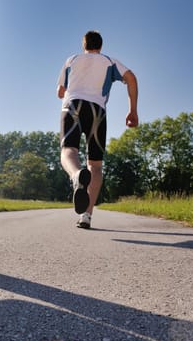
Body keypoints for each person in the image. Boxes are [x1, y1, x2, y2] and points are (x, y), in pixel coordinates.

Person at [57, 30, 139, 229]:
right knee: (95, 165)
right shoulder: (109, 61)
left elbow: (60, 92)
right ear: (100, 46)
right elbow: (131, 78)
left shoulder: (72, 59)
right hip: (97, 110)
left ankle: (76, 175)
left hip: (73, 106)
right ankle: (86, 215)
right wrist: (133, 111)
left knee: (68, 151)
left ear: (84, 45)